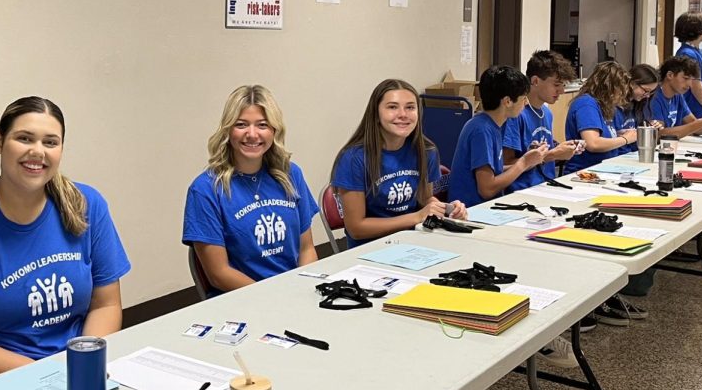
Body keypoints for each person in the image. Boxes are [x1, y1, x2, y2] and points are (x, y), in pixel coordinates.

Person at [0, 96, 130, 380]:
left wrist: (84, 364)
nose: (37, 152)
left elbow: (106, 304)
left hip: (75, 372)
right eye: (24, 138)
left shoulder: (87, 204)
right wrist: (45, 375)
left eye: (50, 142)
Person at [183, 85, 318, 293]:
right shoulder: (205, 190)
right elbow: (219, 274)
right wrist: (274, 298)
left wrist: (303, 289)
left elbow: (306, 249)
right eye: (241, 125)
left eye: (262, 125)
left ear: (274, 130)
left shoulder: (291, 174)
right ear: (228, 130)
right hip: (243, 299)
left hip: (294, 292)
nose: (252, 134)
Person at [331, 78, 465, 248]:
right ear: (376, 114)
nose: (403, 114)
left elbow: (424, 199)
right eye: (392, 107)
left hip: (414, 242)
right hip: (369, 249)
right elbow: (356, 228)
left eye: (410, 107)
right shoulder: (354, 158)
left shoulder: (426, 151)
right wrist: (416, 217)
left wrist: (446, 209)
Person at [448, 65, 547, 208]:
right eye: (523, 98)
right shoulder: (481, 130)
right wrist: (523, 163)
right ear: (507, 101)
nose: (526, 103)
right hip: (471, 211)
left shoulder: (493, 124)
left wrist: (529, 160)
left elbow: (496, 172)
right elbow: (487, 189)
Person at [502, 51, 583, 191]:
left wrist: (564, 149)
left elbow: (545, 153)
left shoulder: (547, 113)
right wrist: (553, 154)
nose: (561, 91)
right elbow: (505, 164)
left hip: (546, 185)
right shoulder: (516, 114)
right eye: (557, 85)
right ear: (535, 81)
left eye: (563, 85)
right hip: (522, 190)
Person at [562, 61, 637, 174]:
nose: (622, 96)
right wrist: (625, 139)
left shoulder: (604, 105)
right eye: (620, 92)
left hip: (604, 169)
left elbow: (601, 136)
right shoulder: (586, 104)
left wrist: (618, 134)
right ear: (610, 88)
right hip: (585, 172)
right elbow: (593, 144)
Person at [648, 56, 702, 138]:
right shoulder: (654, 97)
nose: (689, 84)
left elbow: (694, 126)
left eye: (691, 80)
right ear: (670, 75)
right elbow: (659, 133)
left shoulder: (678, 96)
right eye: (685, 78)